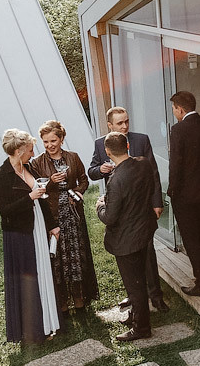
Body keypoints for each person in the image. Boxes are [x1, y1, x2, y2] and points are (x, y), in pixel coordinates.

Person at [90, 106, 167, 314]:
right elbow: (92, 171)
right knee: (128, 258)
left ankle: (156, 296)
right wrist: (100, 170)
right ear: (109, 126)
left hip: (142, 209)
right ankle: (135, 296)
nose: (124, 126)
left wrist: (156, 202)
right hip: (119, 209)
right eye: (119, 123)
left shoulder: (141, 140)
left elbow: (153, 174)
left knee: (148, 254)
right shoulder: (101, 144)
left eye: (126, 121)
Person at [0, 128, 60, 344]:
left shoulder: (27, 167)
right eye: (30, 150)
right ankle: (32, 330)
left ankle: (49, 322)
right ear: (19, 151)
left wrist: (52, 225)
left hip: (38, 224)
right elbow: (5, 210)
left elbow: (42, 200)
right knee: (28, 278)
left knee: (42, 271)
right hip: (19, 233)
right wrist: (30, 196)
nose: (32, 153)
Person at [97, 131, 161, 340]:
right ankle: (135, 316)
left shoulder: (116, 181)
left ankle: (141, 328)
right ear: (127, 146)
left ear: (107, 152)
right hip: (144, 231)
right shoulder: (143, 163)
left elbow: (110, 218)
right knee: (139, 281)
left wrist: (100, 207)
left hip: (126, 239)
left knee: (135, 287)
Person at [33, 119, 98, 313]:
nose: (49, 145)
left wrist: (78, 192)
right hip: (53, 217)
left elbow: (84, 180)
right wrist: (51, 182)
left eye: (53, 140)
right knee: (58, 259)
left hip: (72, 215)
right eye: (45, 142)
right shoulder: (37, 163)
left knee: (76, 255)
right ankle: (61, 304)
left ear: (61, 139)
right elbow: (39, 190)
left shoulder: (73, 157)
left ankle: (79, 300)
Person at [165, 89, 200, 296]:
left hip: (185, 193)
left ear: (180, 109)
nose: (174, 112)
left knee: (191, 238)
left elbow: (175, 165)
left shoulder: (179, 130)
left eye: (174, 108)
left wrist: (171, 190)